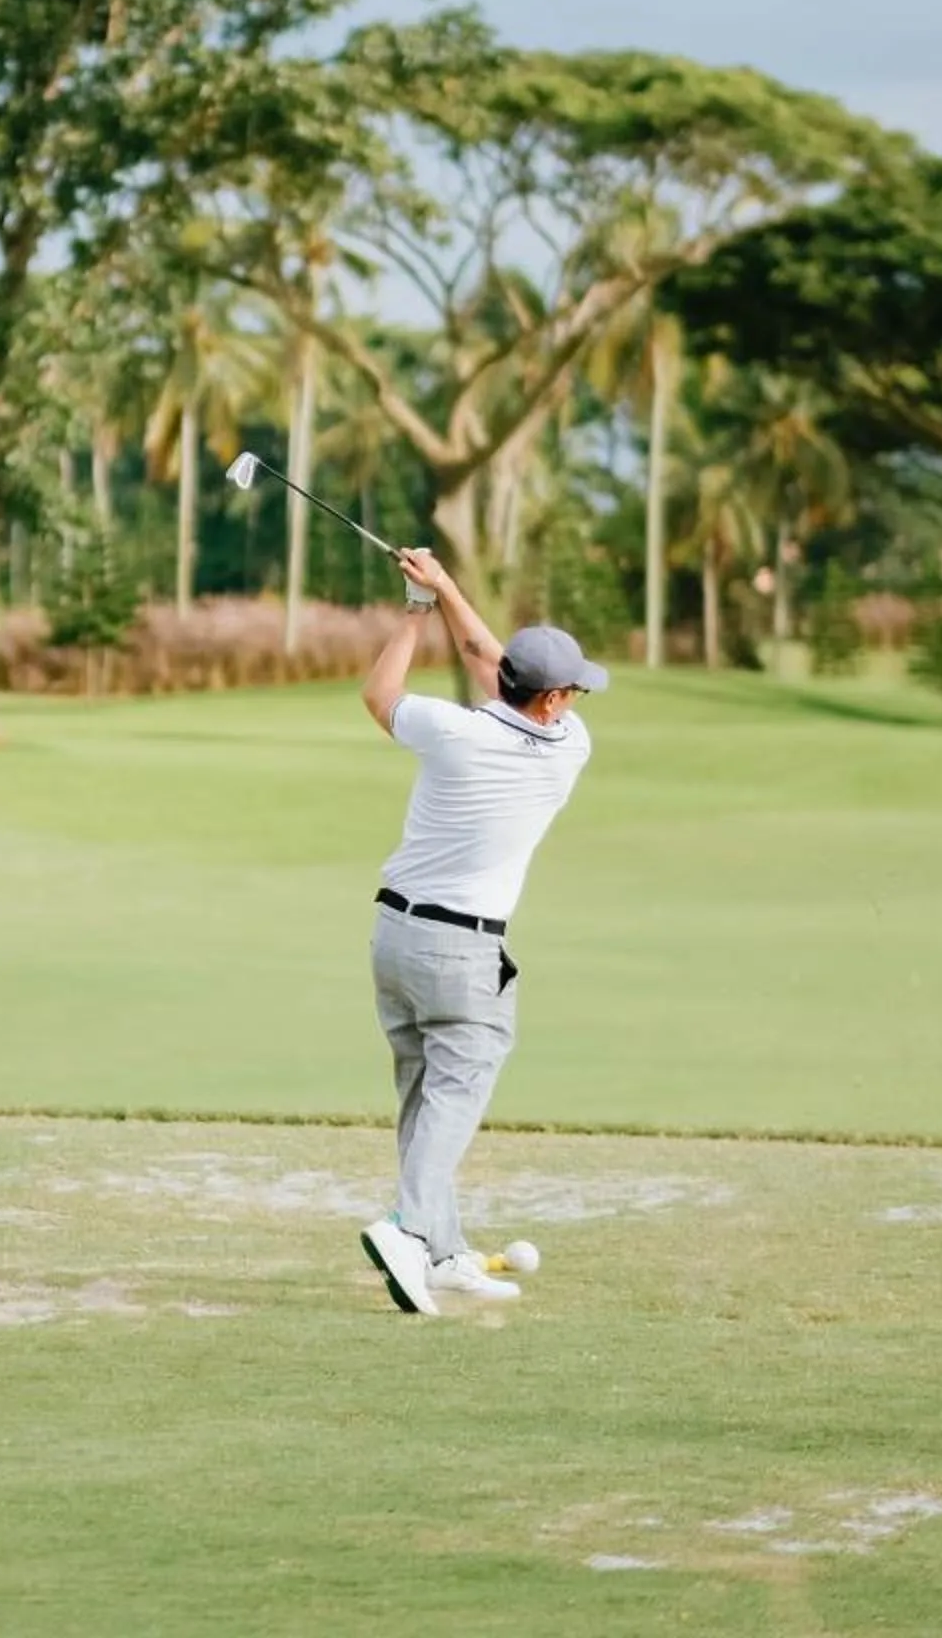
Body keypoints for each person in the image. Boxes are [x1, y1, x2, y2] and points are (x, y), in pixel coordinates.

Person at [352, 548, 606, 1313]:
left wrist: (418, 608)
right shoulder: (569, 748)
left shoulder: (450, 730)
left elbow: (380, 693)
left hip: (393, 938)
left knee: (425, 1096)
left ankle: (442, 1250)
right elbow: (489, 658)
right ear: (555, 699)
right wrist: (449, 592)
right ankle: (406, 1227)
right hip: (463, 951)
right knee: (458, 1093)